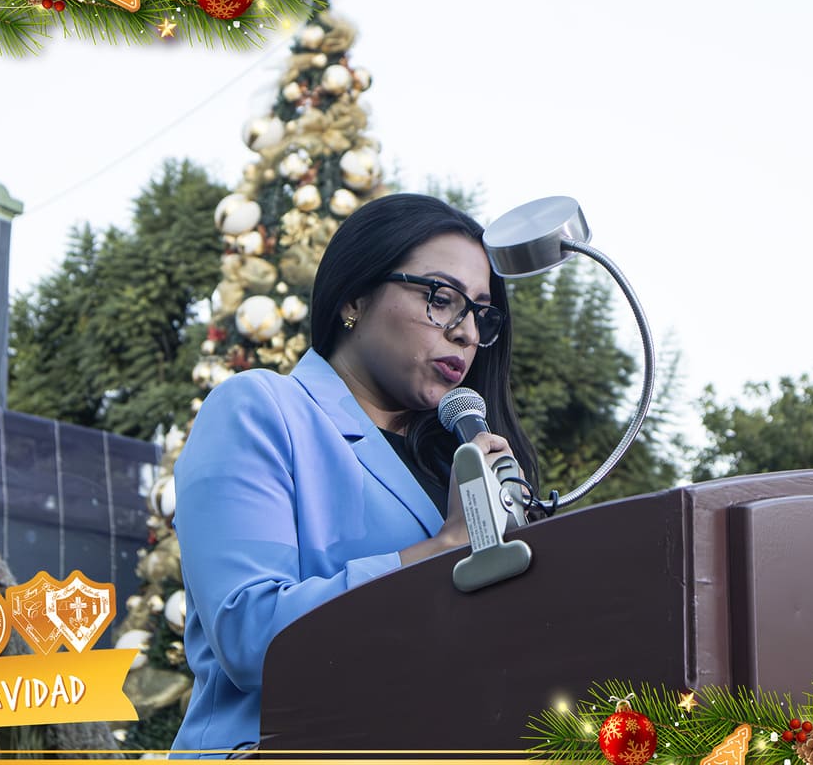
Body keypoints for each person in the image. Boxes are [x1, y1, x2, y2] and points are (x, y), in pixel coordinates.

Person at [170, 193, 539, 754]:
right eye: (442, 298)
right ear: (353, 299)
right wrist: (444, 549)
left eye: (480, 313)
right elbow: (251, 636)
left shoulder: (455, 461)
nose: (466, 332)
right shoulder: (260, 408)